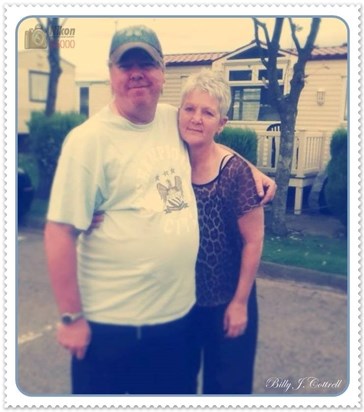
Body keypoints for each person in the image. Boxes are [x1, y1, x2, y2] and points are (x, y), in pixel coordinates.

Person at [44, 25, 274, 395]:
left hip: (176, 322)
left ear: (162, 72)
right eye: (126, 64)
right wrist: (71, 318)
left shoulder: (173, 118)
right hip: (113, 327)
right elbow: (58, 232)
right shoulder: (87, 142)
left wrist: (250, 170)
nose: (137, 73)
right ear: (110, 74)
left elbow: (209, 140)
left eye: (146, 64)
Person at [178, 69, 264, 394]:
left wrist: (240, 302)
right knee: (178, 384)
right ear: (180, 111)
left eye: (208, 112)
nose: (197, 118)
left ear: (221, 123)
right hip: (182, 303)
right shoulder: (171, 159)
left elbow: (253, 241)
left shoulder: (236, 173)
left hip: (227, 300)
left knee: (227, 388)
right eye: (190, 108)